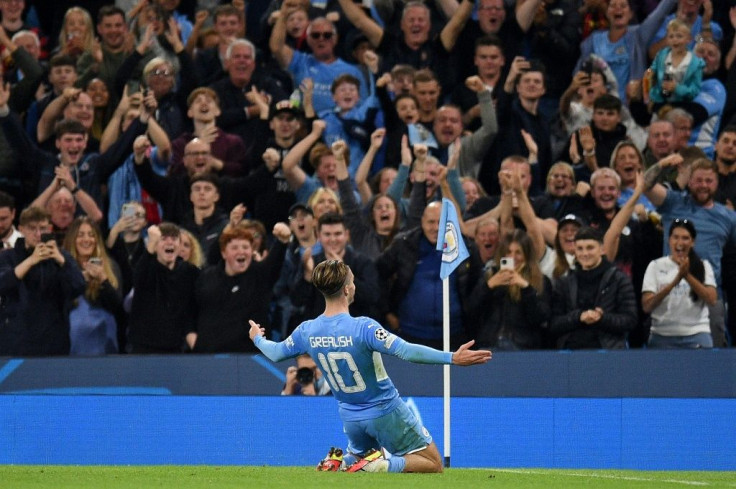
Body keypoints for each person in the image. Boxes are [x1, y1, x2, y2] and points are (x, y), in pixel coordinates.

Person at [248, 259, 491, 473]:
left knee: (360, 457)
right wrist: (451, 358)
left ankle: (342, 461)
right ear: (346, 289)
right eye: (352, 281)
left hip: (349, 416)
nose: (354, 285)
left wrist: (257, 337)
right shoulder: (364, 328)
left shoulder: (307, 330)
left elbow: (276, 353)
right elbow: (406, 350)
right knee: (432, 462)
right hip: (384, 410)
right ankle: (382, 465)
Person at [189, 222, 290, 353]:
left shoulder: (261, 274)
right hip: (210, 357)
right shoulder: (206, 277)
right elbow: (191, 310)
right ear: (224, 252)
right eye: (235, 247)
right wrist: (192, 338)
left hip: (252, 358)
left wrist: (282, 241)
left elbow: (275, 260)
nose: (241, 251)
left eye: (245, 247)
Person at [0, 206, 85, 356]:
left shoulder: (61, 257)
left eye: (43, 228)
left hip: (54, 344)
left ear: (50, 229)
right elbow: (3, 284)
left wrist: (60, 260)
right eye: (32, 228)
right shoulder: (8, 257)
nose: (38, 234)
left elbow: (78, 286)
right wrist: (31, 260)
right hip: (17, 343)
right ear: (21, 229)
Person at [549, 226, 638, 349]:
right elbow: (554, 324)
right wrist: (579, 317)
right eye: (580, 249)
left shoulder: (619, 280)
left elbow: (630, 320)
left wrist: (602, 318)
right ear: (574, 250)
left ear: (602, 249)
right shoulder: (564, 283)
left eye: (590, 248)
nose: (585, 253)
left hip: (608, 352)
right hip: (571, 353)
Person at [467, 229, 552, 350]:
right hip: (489, 345)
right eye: (508, 252)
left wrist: (526, 288)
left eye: (518, 252)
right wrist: (488, 286)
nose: (513, 257)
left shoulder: (540, 281)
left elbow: (540, 318)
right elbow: (471, 311)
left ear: (527, 255)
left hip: (523, 348)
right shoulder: (489, 276)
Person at [642, 218, 716, 348]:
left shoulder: (704, 266)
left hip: (697, 333)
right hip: (662, 335)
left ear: (693, 242)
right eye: (675, 237)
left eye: (685, 238)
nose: (680, 242)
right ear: (669, 240)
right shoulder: (655, 266)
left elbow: (711, 300)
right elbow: (647, 306)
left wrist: (687, 276)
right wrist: (674, 282)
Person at [127, 222, 199, 353]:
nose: (169, 242)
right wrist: (150, 244)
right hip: (143, 348)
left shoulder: (189, 271)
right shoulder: (146, 266)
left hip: (175, 348)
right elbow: (138, 280)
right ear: (155, 246)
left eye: (174, 238)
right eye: (163, 239)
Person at [63, 216, 124, 355]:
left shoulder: (110, 266)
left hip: (105, 344)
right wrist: (81, 278)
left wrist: (103, 279)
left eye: (92, 235)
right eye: (80, 235)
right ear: (72, 239)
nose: (87, 240)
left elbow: (117, 306)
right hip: (71, 345)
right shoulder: (63, 268)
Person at [648, 19, 705, 107]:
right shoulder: (661, 55)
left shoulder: (696, 63)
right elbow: (651, 71)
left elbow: (695, 91)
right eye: (671, 36)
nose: (674, 40)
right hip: (660, 102)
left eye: (679, 36)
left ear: (689, 39)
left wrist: (677, 88)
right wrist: (649, 76)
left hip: (684, 105)